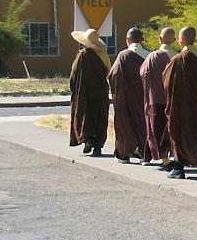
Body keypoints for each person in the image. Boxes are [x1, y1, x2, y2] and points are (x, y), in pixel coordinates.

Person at [162, 26, 197, 182]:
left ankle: (178, 168)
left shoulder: (175, 61)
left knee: (178, 133)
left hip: (180, 107)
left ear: (181, 40)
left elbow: (167, 84)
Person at [107, 27, 151, 164]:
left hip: (126, 97)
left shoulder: (123, 56)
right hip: (144, 96)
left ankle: (124, 153)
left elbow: (113, 75)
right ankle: (145, 154)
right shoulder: (149, 56)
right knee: (144, 124)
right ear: (142, 41)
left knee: (125, 124)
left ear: (127, 40)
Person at [69, 28, 110, 157]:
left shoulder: (82, 54)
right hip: (101, 90)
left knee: (85, 115)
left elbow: (73, 75)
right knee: (100, 116)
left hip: (84, 91)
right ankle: (98, 146)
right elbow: (108, 71)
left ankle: (88, 139)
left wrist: (74, 89)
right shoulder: (104, 55)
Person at [140, 27, 177, 170]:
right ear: (174, 41)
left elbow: (143, 73)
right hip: (173, 100)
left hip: (155, 99)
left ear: (160, 39)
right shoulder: (178, 57)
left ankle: (163, 158)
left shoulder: (152, 57)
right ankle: (174, 156)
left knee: (156, 129)